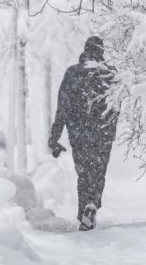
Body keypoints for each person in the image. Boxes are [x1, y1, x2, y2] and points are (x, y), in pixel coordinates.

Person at [48, 36, 118, 231]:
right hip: (103, 134)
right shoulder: (110, 74)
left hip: (78, 134)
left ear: (84, 50)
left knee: (84, 174)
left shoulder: (72, 73)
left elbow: (62, 108)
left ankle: (83, 213)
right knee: (98, 173)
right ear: (101, 51)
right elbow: (117, 105)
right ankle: (92, 204)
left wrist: (54, 137)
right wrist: (111, 128)